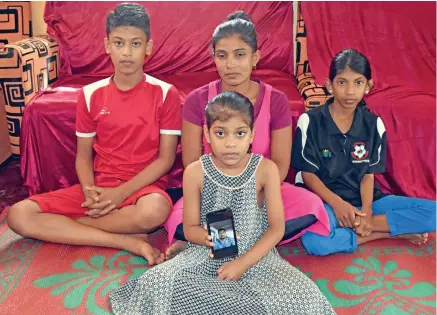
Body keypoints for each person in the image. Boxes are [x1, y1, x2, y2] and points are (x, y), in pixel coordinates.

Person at [110, 91, 336, 315]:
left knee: (304, 297)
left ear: (251, 135)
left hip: (257, 258)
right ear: (207, 135)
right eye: (220, 133)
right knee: (157, 284)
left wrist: (242, 264)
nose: (230, 144)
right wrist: (207, 238)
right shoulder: (195, 172)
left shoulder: (266, 169)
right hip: (205, 255)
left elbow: (277, 228)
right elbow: (190, 229)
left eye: (239, 133)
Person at [7, 3, 182, 265]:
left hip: (141, 189)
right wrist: (91, 193)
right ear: (107, 45)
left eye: (135, 44)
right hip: (100, 188)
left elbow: (165, 160)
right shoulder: (90, 95)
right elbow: (83, 157)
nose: (126, 52)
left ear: (148, 48)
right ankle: (125, 239)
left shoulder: (166, 94)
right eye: (119, 43)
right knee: (18, 215)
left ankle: (70, 227)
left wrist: (121, 194)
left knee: (156, 210)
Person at [164, 11, 330, 259]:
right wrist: (221, 195)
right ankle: (239, 240)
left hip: (261, 193)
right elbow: (191, 162)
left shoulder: (276, 100)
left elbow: (281, 165)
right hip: (211, 193)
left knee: (311, 206)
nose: (230, 64)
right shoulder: (197, 100)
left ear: (255, 58)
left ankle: (212, 243)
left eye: (240, 55)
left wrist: (252, 199)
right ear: (214, 58)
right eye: (222, 56)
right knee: (179, 219)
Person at [292, 48, 436, 256]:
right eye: (342, 82)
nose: (350, 91)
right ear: (329, 85)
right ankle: (386, 232)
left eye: (358, 82)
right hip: (329, 203)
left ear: (368, 86)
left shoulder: (373, 124)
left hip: (367, 199)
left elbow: (369, 175)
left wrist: (367, 211)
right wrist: (338, 204)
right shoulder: (310, 121)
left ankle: (367, 225)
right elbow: (308, 174)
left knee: (434, 214)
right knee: (315, 242)